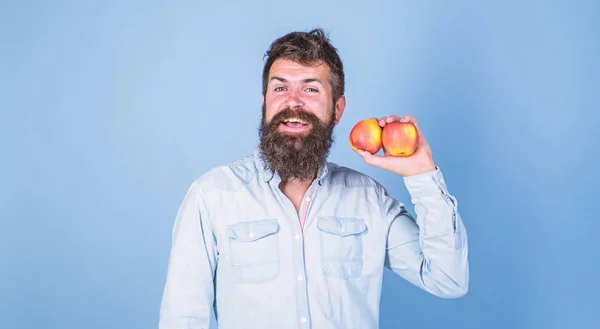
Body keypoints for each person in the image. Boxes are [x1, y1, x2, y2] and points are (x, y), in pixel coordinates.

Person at [158, 28, 469, 329]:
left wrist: (421, 174)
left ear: (337, 109)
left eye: (310, 88)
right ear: (264, 101)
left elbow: (447, 279)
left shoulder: (368, 199)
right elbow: (181, 321)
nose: (293, 102)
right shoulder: (212, 195)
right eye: (280, 88)